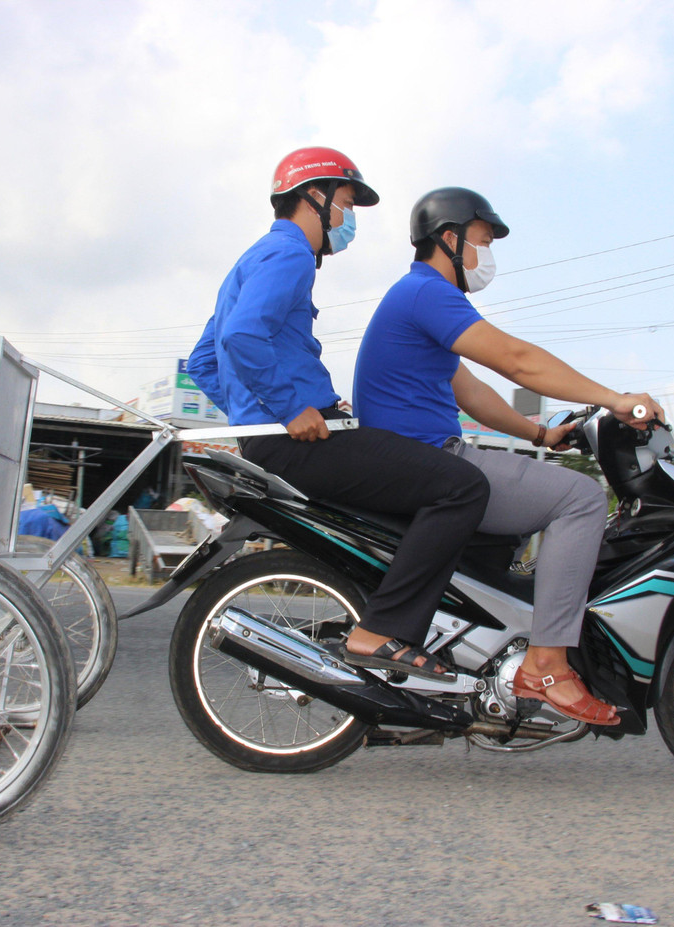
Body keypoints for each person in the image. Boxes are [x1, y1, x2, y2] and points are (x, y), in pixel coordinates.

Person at [353, 187, 666, 724]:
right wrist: (616, 400)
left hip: (422, 457)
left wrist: (540, 434)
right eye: (482, 241)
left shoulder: (416, 299)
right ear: (449, 239)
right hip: (431, 459)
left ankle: (483, 650)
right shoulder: (427, 293)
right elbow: (517, 361)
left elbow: (471, 393)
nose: (488, 255)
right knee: (581, 498)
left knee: (527, 515)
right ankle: (546, 665)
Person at [187, 148, 490, 680]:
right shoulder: (291, 254)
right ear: (315, 196)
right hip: (299, 440)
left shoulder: (255, 257)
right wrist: (290, 410)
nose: (349, 219)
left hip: (275, 438)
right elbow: (240, 337)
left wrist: (255, 415)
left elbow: (204, 362)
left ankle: (394, 617)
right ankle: (383, 630)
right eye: (346, 204)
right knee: (462, 487)